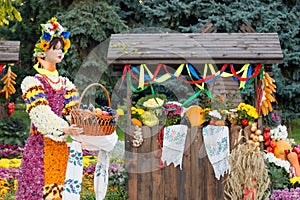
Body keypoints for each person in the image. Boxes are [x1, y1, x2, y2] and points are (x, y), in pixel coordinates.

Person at [16, 17, 83, 200]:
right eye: (55, 48)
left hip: (60, 147)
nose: (60, 52)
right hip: (39, 147)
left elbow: (73, 111)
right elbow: (40, 113)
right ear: (42, 53)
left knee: (59, 190)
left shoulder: (66, 84)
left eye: (61, 48)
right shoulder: (32, 82)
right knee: (37, 190)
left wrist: (86, 121)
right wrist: (64, 129)